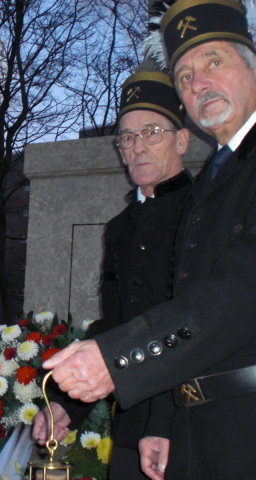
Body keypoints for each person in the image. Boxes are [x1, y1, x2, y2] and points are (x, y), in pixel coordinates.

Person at [43, 2, 256, 478]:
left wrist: (119, 361)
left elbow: (239, 292)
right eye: (184, 76)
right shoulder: (219, 180)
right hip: (193, 420)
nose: (197, 83)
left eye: (214, 62)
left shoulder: (207, 190)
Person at [33, 71, 191, 480]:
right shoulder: (120, 226)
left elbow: (196, 319)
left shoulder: (202, 211)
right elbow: (115, 325)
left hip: (187, 419)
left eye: (151, 132)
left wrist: (164, 420)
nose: (137, 147)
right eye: (126, 137)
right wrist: (69, 403)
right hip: (132, 420)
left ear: (182, 140)